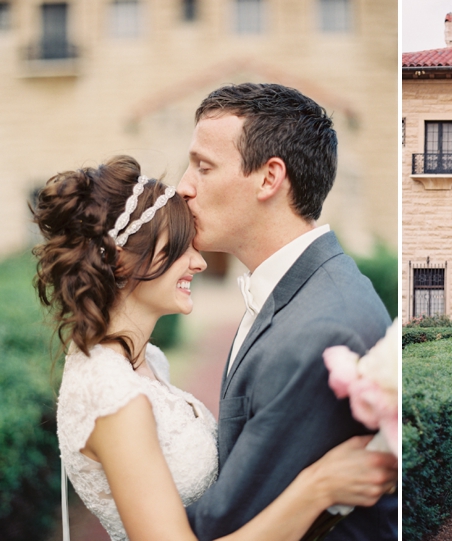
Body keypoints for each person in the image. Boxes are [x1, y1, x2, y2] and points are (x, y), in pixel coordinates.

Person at [33, 156, 396, 541]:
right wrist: (318, 488)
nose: (199, 262)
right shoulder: (113, 396)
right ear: (119, 259)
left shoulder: (145, 362)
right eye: (179, 247)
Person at [177, 83, 397, 540]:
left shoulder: (319, 332)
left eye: (204, 166)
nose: (184, 186)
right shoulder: (304, 288)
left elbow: (224, 524)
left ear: (269, 178)